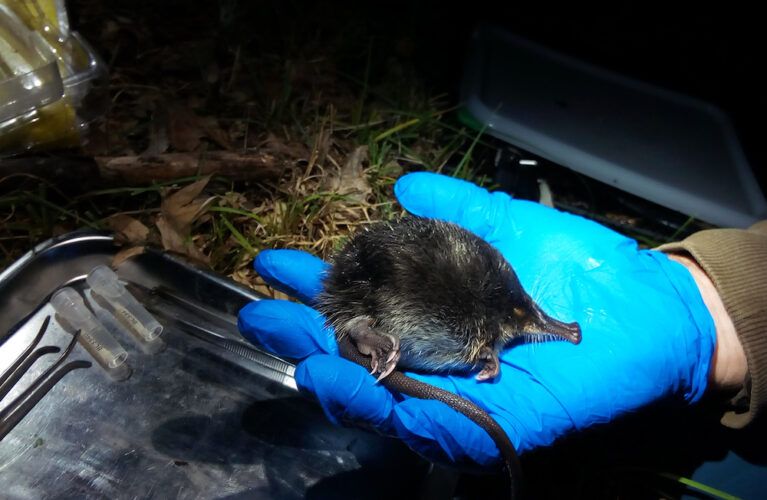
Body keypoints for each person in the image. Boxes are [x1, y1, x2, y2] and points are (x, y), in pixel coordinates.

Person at [237, 171, 765, 469]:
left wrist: (711, 310)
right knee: (450, 337)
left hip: (391, 295)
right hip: (372, 299)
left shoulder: (489, 292)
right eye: (535, 320)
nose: (562, 331)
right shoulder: (472, 326)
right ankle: (358, 329)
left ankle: (359, 328)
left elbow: (507, 311)